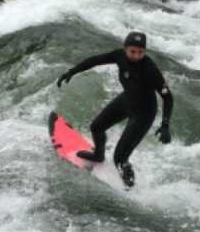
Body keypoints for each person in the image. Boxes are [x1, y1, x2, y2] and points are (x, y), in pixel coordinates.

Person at [55, 31, 173, 187]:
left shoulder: (150, 69)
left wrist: (165, 124)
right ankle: (98, 155)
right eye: (132, 51)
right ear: (125, 49)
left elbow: (168, 97)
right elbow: (95, 61)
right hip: (127, 101)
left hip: (144, 113)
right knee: (96, 127)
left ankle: (130, 187)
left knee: (120, 158)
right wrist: (72, 71)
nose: (136, 55)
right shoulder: (119, 56)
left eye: (140, 52)